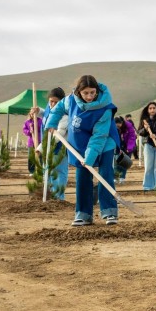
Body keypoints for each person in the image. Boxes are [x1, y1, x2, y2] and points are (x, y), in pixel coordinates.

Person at [45, 75, 121, 226]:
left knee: (105, 174)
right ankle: (84, 214)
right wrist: (52, 123)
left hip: (104, 141)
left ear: (97, 90)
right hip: (80, 142)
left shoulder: (105, 107)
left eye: (92, 92)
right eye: (86, 93)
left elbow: (99, 136)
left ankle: (109, 212)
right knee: (82, 175)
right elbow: (58, 109)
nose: (89, 96)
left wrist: (90, 157)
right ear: (79, 92)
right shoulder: (70, 100)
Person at [38, 87, 68, 200]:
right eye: (51, 101)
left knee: (59, 173)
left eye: (57, 102)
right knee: (48, 172)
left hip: (59, 149)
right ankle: (49, 196)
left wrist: (41, 147)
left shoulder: (64, 114)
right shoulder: (48, 107)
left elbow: (58, 134)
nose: (53, 104)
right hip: (47, 148)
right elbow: (47, 115)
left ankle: (59, 198)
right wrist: (39, 112)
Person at [137, 102, 156, 190]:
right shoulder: (144, 120)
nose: (152, 110)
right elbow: (139, 132)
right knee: (148, 166)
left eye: (154, 108)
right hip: (148, 144)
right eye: (150, 108)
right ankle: (147, 186)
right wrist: (145, 129)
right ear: (147, 110)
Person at [115, 116, 137, 184]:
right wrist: (117, 148)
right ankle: (115, 178)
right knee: (116, 162)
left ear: (122, 123)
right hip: (118, 147)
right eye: (117, 126)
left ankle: (122, 178)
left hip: (127, 147)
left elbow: (132, 137)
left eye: (119, 126)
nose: (118, 127)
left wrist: (129, 148)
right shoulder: (113, 127)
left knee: (124, 163)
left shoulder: (129, 126)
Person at [23, 107, 43, 175]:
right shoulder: (27, 122)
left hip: (39, 141)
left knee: (40, 156)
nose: (33, 114)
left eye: (35, 113)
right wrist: (29, 131)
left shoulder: (40, 120)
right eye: (32, 113)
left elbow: (42, 128)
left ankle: (41, 170)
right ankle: (32, 171)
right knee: (31, 157)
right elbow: (24, 130)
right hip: (31, 142)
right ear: (30, 114)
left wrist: (35, 126)